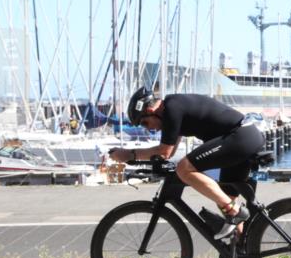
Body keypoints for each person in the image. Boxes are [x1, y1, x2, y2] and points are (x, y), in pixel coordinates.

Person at [108, 88, 265, 239]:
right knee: (225, 198)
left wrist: (128, 154)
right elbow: (169, 152)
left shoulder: (172, 109)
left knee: (184, 168)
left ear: (150, 111)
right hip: (242, 138)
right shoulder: (174, 107)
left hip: (240, 137)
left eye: (144, 123)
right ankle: (242, 248)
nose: (149, 129)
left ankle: (235, 211)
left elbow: (164, 151)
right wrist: (136, 159)